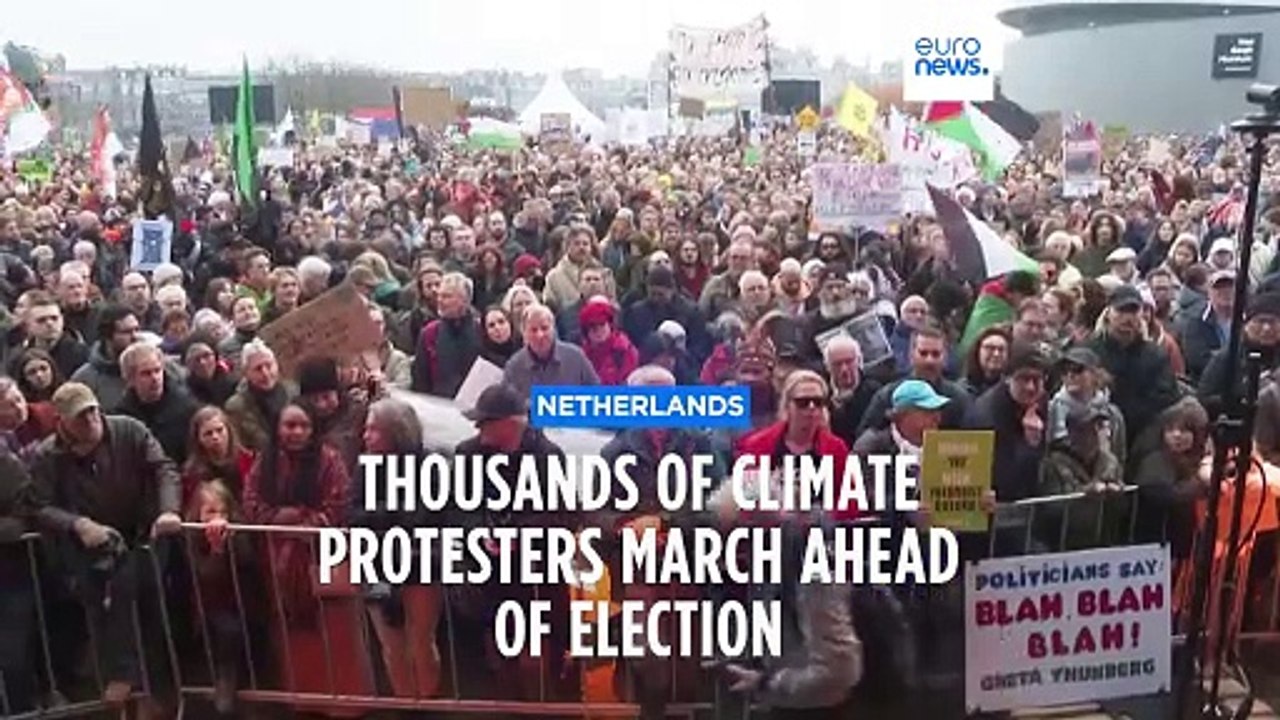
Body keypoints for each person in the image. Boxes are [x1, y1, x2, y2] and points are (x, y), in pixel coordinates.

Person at [29, 382, 182, 717]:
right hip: (87, 551)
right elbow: (38, 506)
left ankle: (150, 692)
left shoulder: (129, 429)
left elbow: (163, 468)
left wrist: (168, 509)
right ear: (62, 421)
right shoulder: (47, 455)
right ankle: (124, 689)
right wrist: (77, 524)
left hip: (141, 535)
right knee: (102, 617)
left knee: (147, 612)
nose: (91, 419)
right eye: (80, 416)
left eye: (93, 410)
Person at [240, 403, 374, 712]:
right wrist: (277, 519)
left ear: (313, 430)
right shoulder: (266, 462)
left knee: (337, 638)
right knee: (295, 642)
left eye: (303, 426)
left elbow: (339, 505)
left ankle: (347, 706)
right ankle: (308, 704)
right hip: (280, 568)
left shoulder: (330, 460)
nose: (296, 432)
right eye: (290, 425)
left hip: (324, 563)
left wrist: (300, 521)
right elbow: (250, 502)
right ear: (278, 428)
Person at [352, 398, 442, 699]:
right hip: (377, 565)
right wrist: (388, 514)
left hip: (420, 566)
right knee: (391, 646)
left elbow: (418, 517)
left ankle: (427, 703)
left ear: (396, 432)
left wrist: (381, 515)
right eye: (366, 429)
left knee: (420, 642)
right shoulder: (366, 468)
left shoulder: (429, 464)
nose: (366, 437)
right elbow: (354, 516)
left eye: (374, 430)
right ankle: (405, 703)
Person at [735, 370, 859, 521]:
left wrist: (823, 517)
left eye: (818, 402)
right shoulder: (757, 446)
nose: (811, 408)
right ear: (787, 406)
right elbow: (747, 502)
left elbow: (852, 502)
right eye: (803, 403)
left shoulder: (836, 449)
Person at [116, 341, 201, 465]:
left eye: (157, 370)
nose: (155, 378)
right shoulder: (121, 417)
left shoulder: (187, 407)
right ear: (130, 379)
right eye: (146, 373)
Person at [412, 272, 482, 398]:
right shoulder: (428, 334)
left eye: (446, 296)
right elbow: (420, 381)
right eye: (439, 296)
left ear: (464, 300)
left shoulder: (482, 331)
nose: (440, 301)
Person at [503, 304, 600, 395]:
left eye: (544, 328)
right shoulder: (513, 367)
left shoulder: (576, 357)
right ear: (524, 333)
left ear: (553, 329)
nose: (540, 335)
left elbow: (597, 394)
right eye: (533, 330)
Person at [224, 340, 294, 452]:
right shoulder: (237, 407)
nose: (265, 373)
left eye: (269, 365)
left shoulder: (292, 391)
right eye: (258, 369)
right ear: (246, 373)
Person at [824, 336, 881, 446]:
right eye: (837, 364)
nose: (844, 369)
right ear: (828, 366)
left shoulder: (875, 392)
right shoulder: (820, 393)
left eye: (849, 361)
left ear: (859, 361)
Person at [578, 298, 639, 386]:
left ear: (610, 325)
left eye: (602, 324)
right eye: (593, 326)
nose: (599, 331)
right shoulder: (581, 354)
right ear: (585, 331)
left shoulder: (625, 351)